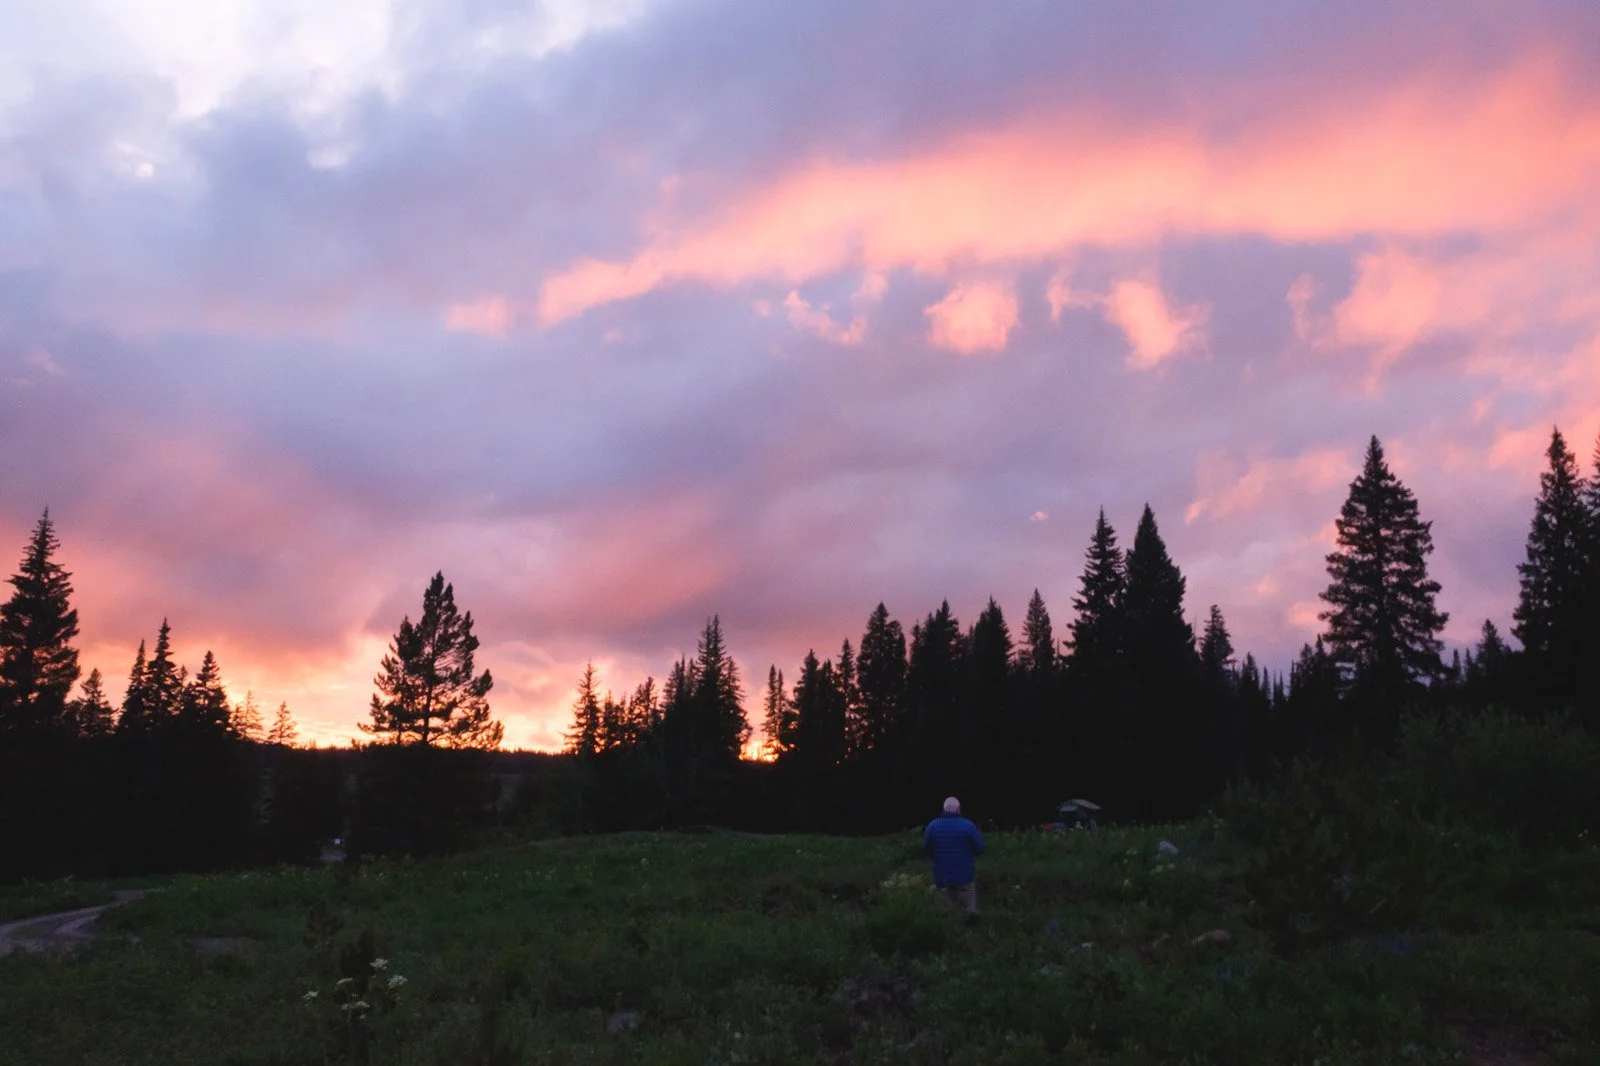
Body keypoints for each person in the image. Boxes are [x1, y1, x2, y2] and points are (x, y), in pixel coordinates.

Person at [923, 796, 985, 915]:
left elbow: (927, 850)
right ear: (958, 810)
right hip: (964, 878)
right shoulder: (968, 826)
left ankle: (949, 932)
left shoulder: (933, 826)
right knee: (970, 913)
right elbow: (979, 849)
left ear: (944, 809)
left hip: (941, 877)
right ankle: (970, 930)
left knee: (945, 914)